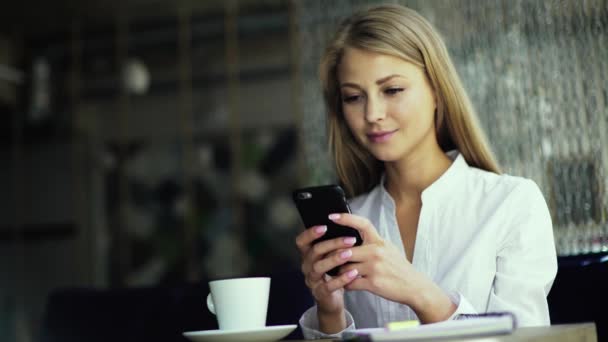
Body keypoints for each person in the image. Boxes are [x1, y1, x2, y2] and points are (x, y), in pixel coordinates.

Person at [294, 4, 557, 339]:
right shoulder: (351, 222)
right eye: (354, 97)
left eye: (392, 90)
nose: (373, 113)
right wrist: (330, 312)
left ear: (436, 89)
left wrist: (421, 293)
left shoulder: (512, 204)